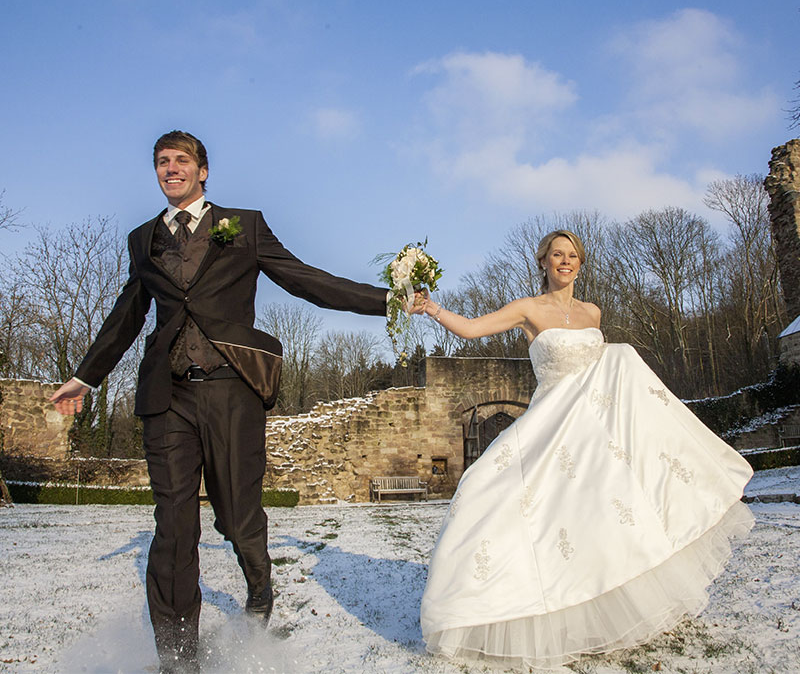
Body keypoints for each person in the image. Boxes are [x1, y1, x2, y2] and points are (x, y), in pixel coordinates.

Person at [50, 130, 396, 673]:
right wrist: (85, 377)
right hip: (168, 398)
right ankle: (177, 657)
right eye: (162, 162)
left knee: (236, 517)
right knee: (174, 525)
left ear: (202, 171)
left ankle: (259, 582)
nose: (171, 169)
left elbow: (306, 281)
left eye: (181, 161)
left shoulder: (245, 226)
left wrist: (388, 302)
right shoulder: (143, 240)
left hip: (232, 391)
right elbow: (127, 313)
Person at [417, 230, 754, 670]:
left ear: (580, 262)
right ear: (543, 262)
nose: (565, 261)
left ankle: (599, 602)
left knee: (597, 516)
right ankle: (488, 599)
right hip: (550, 424)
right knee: (494, 493)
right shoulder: (527, 309)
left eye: (572, 255)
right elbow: (472, 330)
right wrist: (430, 308)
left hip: (593, 431)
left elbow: (604, 377)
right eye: (557, 254)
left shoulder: (592, 312)